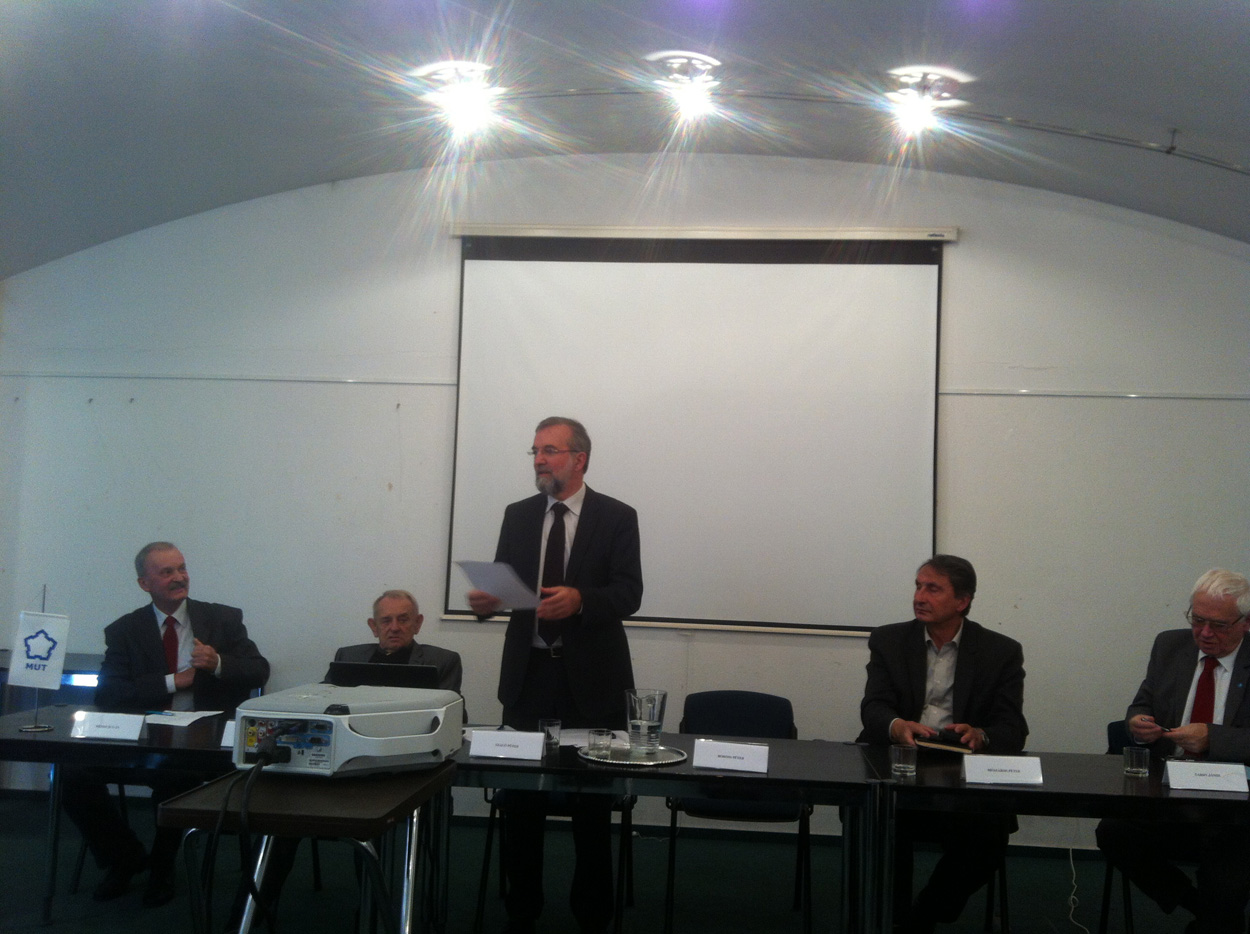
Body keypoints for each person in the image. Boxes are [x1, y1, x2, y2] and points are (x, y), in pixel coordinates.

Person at [467, 416, 642, 934]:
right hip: (529, 677)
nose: (539, 460)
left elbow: (629, 593)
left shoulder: (617, 516)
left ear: (579, 459)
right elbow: (506, 588)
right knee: (522, 806)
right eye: (535, 451)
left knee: (592, 809)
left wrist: (581, 600)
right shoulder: (518, 515)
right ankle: (522, 913)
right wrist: (488, 603)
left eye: (549, 450)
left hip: (593, 683)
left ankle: (592, 916)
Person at [64, 542, 269, 907]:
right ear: (145, 584)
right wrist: (173, 681)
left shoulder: (222, 619)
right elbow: (108, 693)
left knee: (175, 775)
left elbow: (259, 670)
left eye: (182, 568)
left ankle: (162, 867)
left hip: (202, 740)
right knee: (73, 774)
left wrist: (219, 663)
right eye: (167, 572)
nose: (179, 578)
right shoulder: (125, 630)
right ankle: (125, 857)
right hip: (142, 738)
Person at [857, 554, 1027, 933]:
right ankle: (888, 916)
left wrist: (981, 735)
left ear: (962, 601)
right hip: (899, 764)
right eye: (918, 586)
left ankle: (924, 913)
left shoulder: (1000, 651)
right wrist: (897, 726)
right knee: (878, 820)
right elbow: (874, 707)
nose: (919, 596)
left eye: (933, 589)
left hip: (960, 773)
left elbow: (1012, 727)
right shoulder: (888, 640)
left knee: (988, 835)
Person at [1096, 568, 1250, 934]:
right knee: (1113, 832)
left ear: (1245, 623)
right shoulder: (1170, 646)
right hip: (1169, 795)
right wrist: (1137, 724)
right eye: (1197, 620)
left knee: (1229, 868)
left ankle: (1214, 918)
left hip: (1235, 808)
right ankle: (1198, 906)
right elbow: (1141, 704)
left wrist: (1213, 738)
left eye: (1218, 625)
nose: (1205, 633)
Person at [326, 589, 462, 691]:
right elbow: (325, 699)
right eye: (386, 621)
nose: (395, 628)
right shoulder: (347, 657)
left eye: (403, 620)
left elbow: (453, 713)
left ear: (417, 623)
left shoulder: (442, 662)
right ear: (374, 626)